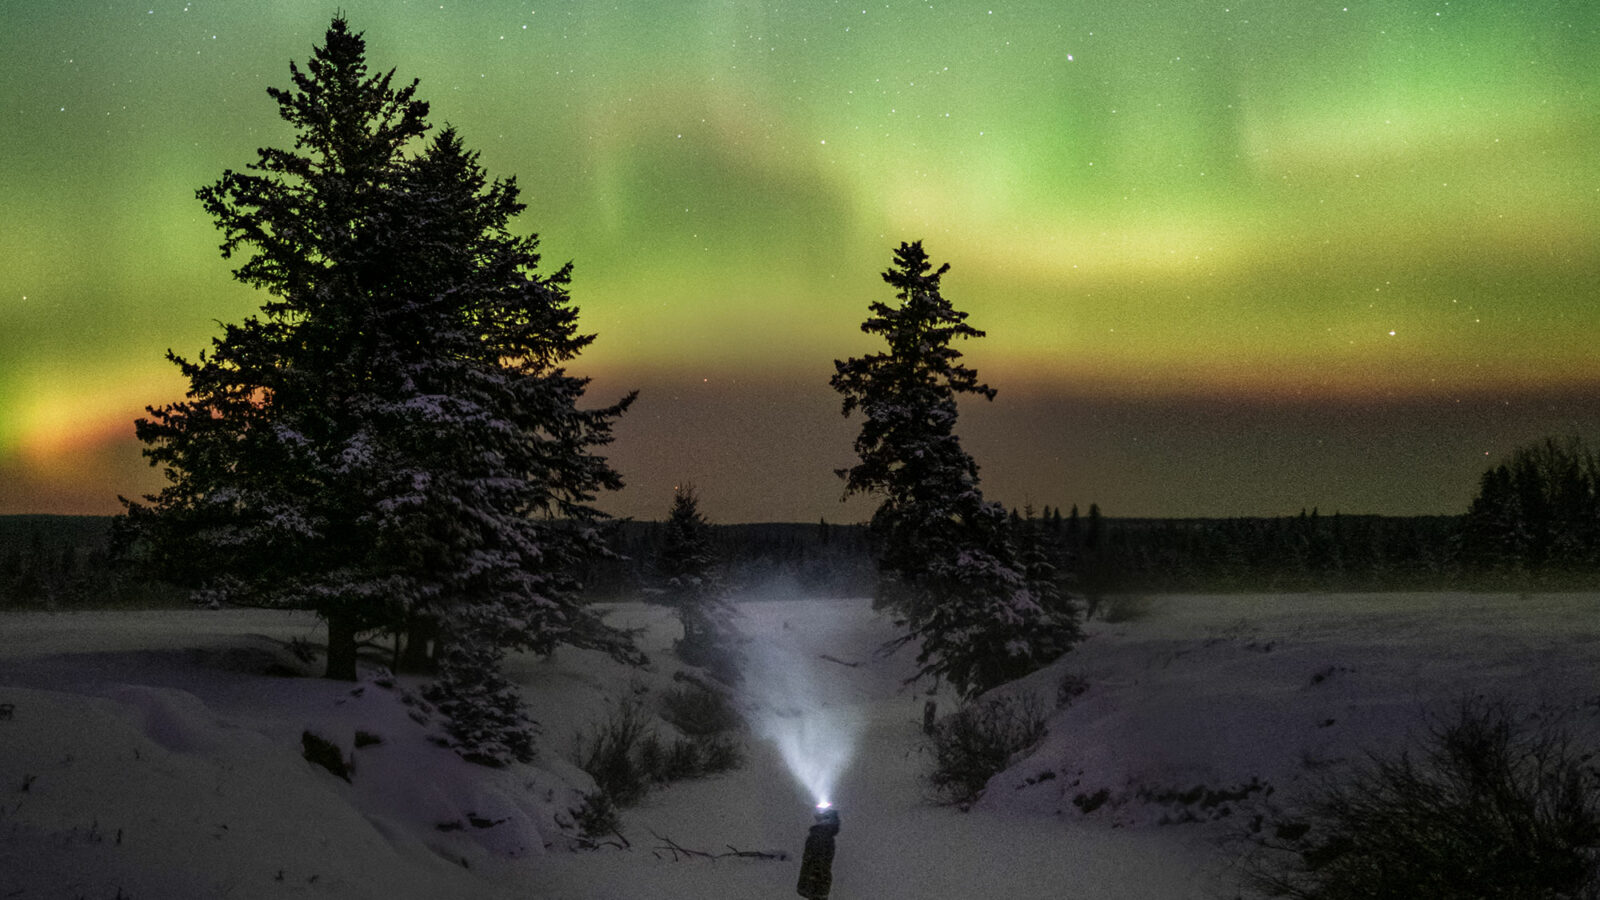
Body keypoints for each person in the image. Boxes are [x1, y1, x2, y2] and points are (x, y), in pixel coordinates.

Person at [797, 805, 841, 899]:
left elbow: (815, 861)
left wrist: (810, 882)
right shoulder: (822, 836)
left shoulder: (821, 836)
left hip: (815, 885)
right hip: (816, 885)